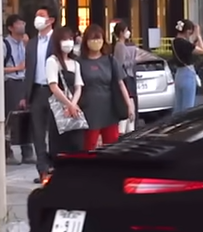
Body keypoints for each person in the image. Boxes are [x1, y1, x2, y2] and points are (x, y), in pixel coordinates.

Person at [75, 22, 135, 150]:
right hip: (89, 109)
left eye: (99, 38)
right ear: (86, 41)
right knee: (89, 146)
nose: (96, 42)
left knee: (112, 146)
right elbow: (76, 87)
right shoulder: (79, 62)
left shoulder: (110, 60)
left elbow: (121, 83)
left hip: (109, 108)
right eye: (92, 38)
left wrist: (129, 105)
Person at [22, 6, 57, 177]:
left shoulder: (58, 40)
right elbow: (28, 70)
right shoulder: (32, 43)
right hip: (36, 91)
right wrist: (25, 95)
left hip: (55, 92)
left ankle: (54, 167)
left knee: (55, 131)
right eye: (36, 16)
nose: (37, 19)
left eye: (41, 16)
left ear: (51, 20)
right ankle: (42, 169)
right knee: (38, 132)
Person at [44, 27, 85, 155]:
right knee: (60, 147)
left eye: (70, 39)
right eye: (65, 39)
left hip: (74, 108)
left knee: (77, 145)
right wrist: (69, 104)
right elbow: (54, 87)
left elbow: (78, 87)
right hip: (59, 109)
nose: (69, 42)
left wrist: (73, 104)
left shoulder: (75, 63)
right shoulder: (52, 61)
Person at [3, 15, 32, 165]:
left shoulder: (24, 42)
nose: (22, 25)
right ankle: (7, 152)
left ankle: (27, 151)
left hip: (24, 81)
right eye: (18, 23)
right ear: (10, 27)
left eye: (23, 22)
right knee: (11, 118)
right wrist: (17, 68)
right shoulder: (4, 45)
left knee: (27, 117)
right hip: (11, 82)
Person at [112, 20, 140, 134]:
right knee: (130, 104)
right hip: (127, 78)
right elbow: (121, 64)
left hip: (128, 77)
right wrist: (134, 60)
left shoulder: (121, 45)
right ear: (121, 33)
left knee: (131, 103)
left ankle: (129, 129)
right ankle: (127, 131)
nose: (128, 32)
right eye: (126, 30)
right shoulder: (120, 46)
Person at [170, 20, 203, 112]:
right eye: (191, 33)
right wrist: (199, 36)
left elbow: (190, 47)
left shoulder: (175, 42)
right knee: (187, 107)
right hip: (187, 74)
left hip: (178, 75)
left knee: (178, 106)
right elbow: (202, 50)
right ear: (188, 31)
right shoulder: (185, 43)